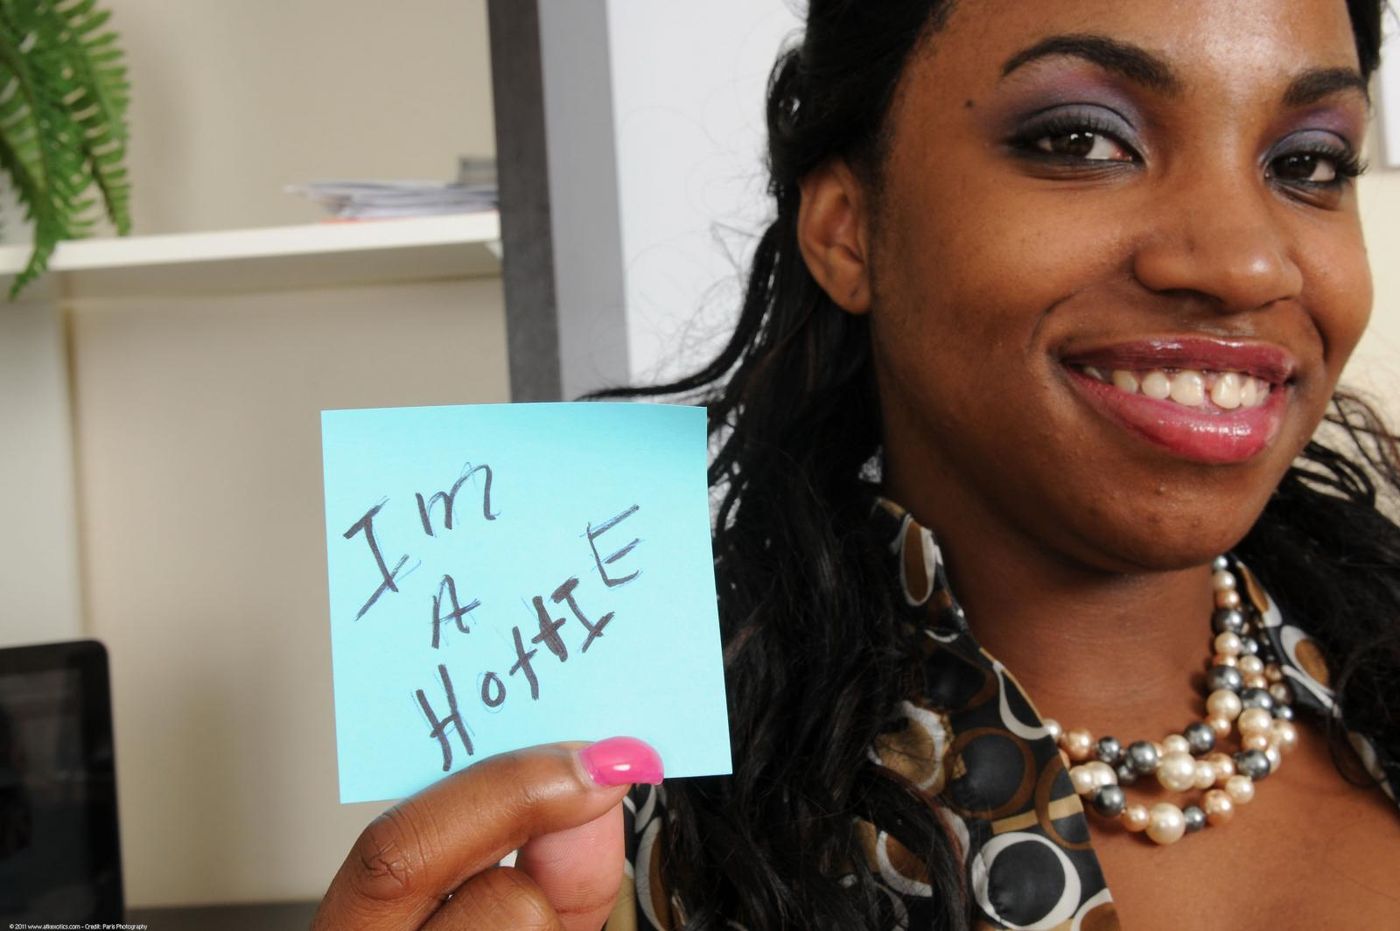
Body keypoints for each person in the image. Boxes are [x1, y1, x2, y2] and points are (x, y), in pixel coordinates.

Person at [313, 0, 1400, 927]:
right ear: (846, 230)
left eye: (1306, 162)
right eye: (1080, 139)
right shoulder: (630, 837)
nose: (1243, 262)